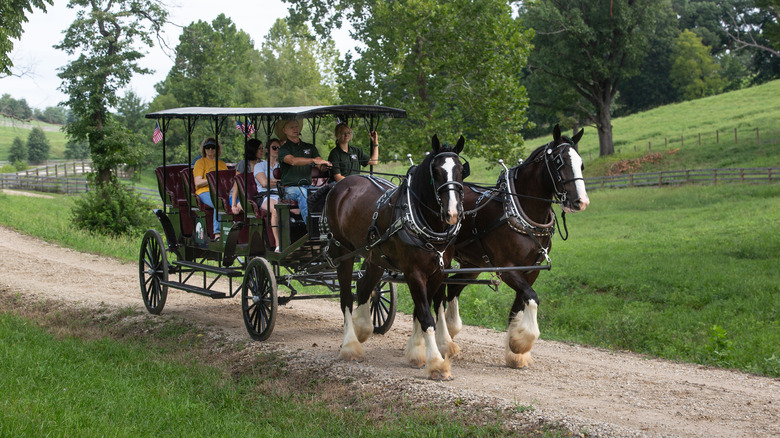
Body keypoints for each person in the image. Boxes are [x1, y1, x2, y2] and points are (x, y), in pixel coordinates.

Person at [276, 118, 331, 223]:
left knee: (325, 193)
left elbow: (319, 163)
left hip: (308, 186)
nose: (295, 129)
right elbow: (292, 161)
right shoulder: (283, 149)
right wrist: (313, 160)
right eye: (291, 127)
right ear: (284, 130)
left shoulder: (309, 147)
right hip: (289, 189)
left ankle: (327, 224)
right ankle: (311, 227)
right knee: (302, 193)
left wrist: (325, 165)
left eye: (296, 126)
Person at [192, 137, 228, 240]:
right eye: (207, 147)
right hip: (204, 192)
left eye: (213, 147)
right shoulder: (200, 162)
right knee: (218, 202)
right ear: (204, 149)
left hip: (220, 191)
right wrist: (213, 179)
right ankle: (217, 233)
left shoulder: (221, 164)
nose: (210, 150)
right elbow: (198, 182)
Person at [253, 138, 283, 252]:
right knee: (276, 209)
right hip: (266, 196)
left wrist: (276, 182)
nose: (277, 150)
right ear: (267, 150)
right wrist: (280, 182)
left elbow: (288, 182)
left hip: (281, 194)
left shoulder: (282, 166)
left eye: (279, 148)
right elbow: (264, 183)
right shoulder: (260, 166)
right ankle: (278, 244)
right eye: (274, 148)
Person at [231, 138, 263, 215]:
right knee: (246, 207)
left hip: (255, 196)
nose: (262, 151)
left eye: (262, 148)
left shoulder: (262, 164)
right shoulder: (243, 164)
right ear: (253, 149)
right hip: (241, 196)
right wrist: (234, 205)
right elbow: (236, 185)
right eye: (259, 149)